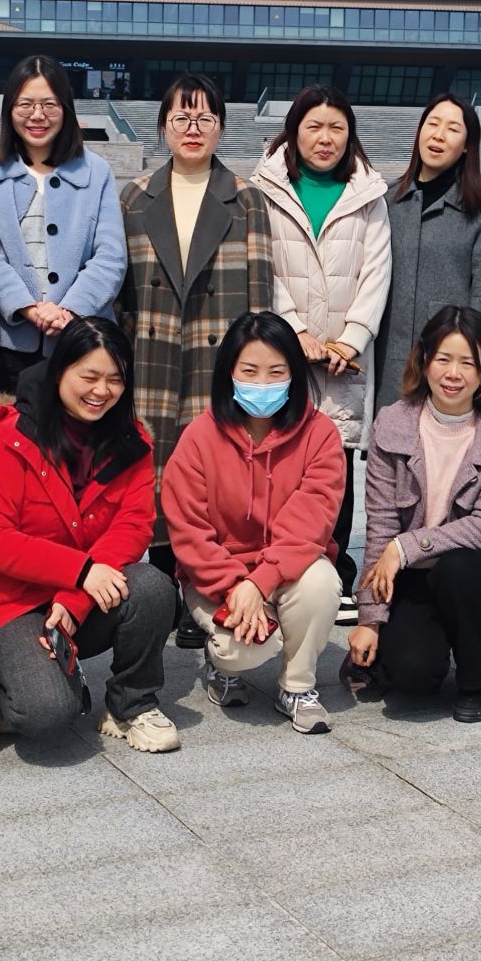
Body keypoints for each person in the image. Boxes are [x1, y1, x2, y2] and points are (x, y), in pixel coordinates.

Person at [0, 315, 178, 751]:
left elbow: (133, 526)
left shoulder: (133, 441)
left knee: (153, 587)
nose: (102, 390)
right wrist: (80, 571)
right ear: (60, 370)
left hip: (84, 598)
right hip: (18, 603)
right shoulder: (12, 436)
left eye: (115, 379)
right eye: (89, 376)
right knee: (46, 713)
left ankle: (131, 705)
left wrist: (77, 596)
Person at [114, 73, 273, 643]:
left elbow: (260, 297)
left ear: (221, 128)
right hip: (153, 354)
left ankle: (203, 587)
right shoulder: (135, 196)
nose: (192, 128)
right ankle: (163, 588)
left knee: (212, 475)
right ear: (163, 126)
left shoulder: (246, 198)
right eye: (181, 117)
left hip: (217, 355)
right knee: (156, 470)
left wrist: (252, 364)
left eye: (205, 117)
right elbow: (122, 293)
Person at [352, 306, 481, 723]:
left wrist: (405, 546)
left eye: (468, 363)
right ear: (424, 359)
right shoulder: (393, 422)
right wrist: (370, 619)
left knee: (459, 568)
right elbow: (380, 527)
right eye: (443, 359)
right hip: (415, 575)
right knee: (412, 677)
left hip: (478, 571)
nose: (453, 374)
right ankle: (397, 646)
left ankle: (480, 681)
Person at [163, 312, 343, 733]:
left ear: (294, 374)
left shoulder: (320, 434)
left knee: (321, 583)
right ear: (229, 372)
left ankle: (297, 686)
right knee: (243, 651)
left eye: (276, 372)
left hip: (285, 568)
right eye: (249, 371)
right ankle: (222, 667)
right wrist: (235, 587)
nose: (262, 384)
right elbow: (189, 532)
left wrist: (260, 583)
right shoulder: (199, 436)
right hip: (216, 576)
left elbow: (311, 522)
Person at [250, 85, 392, 618]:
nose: (325, 138)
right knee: (277, 460)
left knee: (337, 464)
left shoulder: (368, 195)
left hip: (344, 359)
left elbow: (377, 272)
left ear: (350, 135)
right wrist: (294, 331)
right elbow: (261, 264)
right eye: (313, 126)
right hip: (282, 352)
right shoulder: (264, 190)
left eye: (336, 128)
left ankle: (337, 575)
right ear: (294, 132)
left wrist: (351, 339)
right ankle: (272, 570)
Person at [0, 55, 127, 399]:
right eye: (25, 104)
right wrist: (26, 306)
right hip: (4, 344)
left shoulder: (96, 171)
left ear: (66, 108)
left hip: (80, 340)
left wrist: (68, 311)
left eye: (49, 105)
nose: (37, 115)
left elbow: (110, 256)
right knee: (7, 428)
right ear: (9, 109)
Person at [378, 93, 481, 392]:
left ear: (467, 145)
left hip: (450, 358)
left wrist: (476, 357)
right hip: (387, 353)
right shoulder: (387, 199)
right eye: (432, 124)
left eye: (452, 128)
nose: (438, 135)